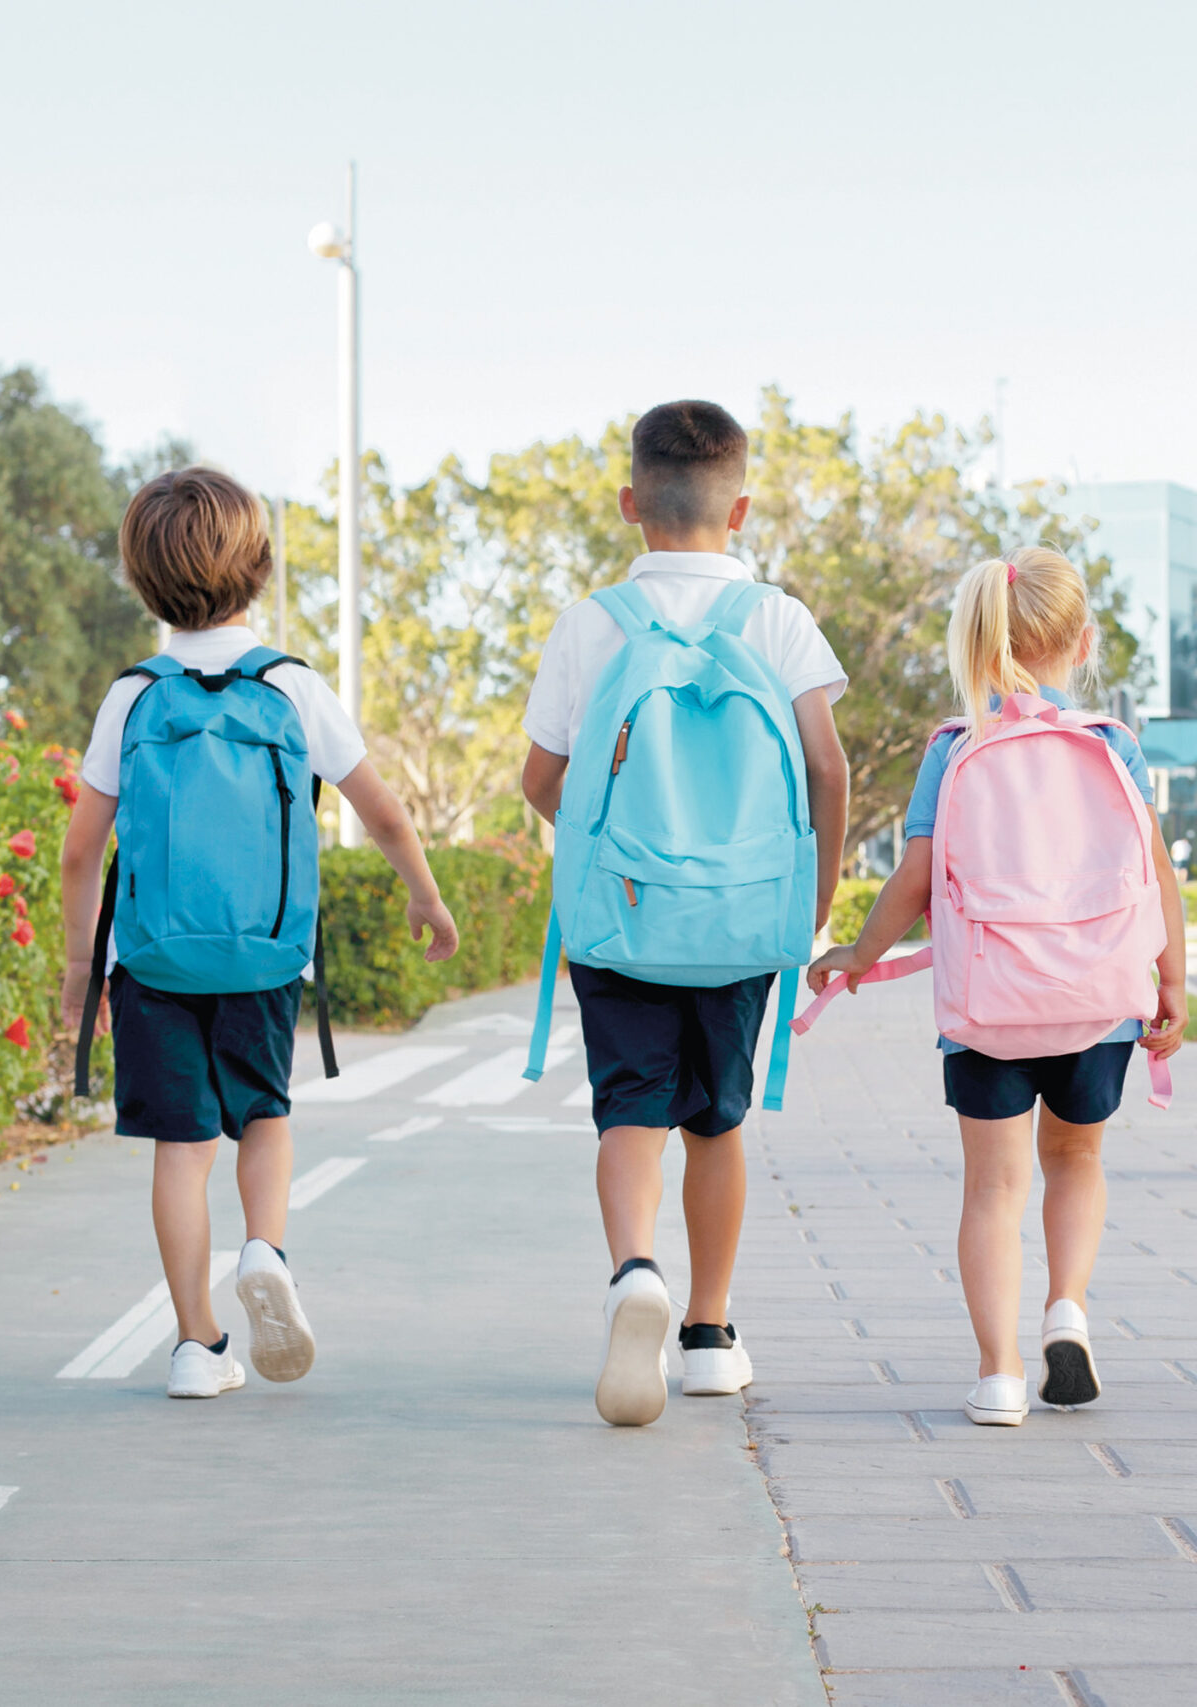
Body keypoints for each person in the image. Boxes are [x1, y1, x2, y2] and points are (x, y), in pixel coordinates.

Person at [60, 467, 459, 1400]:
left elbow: (83, 852)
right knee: (265, 1117)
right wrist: (425, 898)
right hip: (266, 954)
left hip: (152, 961)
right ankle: (266, 1250)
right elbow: (386, 813)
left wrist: (83, 969)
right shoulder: (291, 686)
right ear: (262, 569)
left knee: (181, 1150)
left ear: (140, 578)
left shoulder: (132, 696)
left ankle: (198, 1346)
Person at [520, 400, 850, 1427]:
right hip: (745, 912)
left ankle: (633, 1275)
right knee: (718, 1120)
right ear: (740, 507)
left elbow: (542, 778)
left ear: (630, 503)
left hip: (621, 914)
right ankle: (708, 1334)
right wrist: (815, 893)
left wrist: (604, 840)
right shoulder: (778, 620)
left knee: (630, 1110)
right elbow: (826, 768)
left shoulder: (593, 623)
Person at [810, 547, 1188, 1429]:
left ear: (978, 644)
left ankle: (1000, 1374)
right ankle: (1068, 1308)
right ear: (1083, 640)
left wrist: (858, 955)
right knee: (1078, 1161)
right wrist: (1168, 980)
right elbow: (1157, 870)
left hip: (988, 1009)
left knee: (992, 1190)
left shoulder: (955, 748)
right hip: (1097, 1001)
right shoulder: (1111, 744)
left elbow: (914, 878)